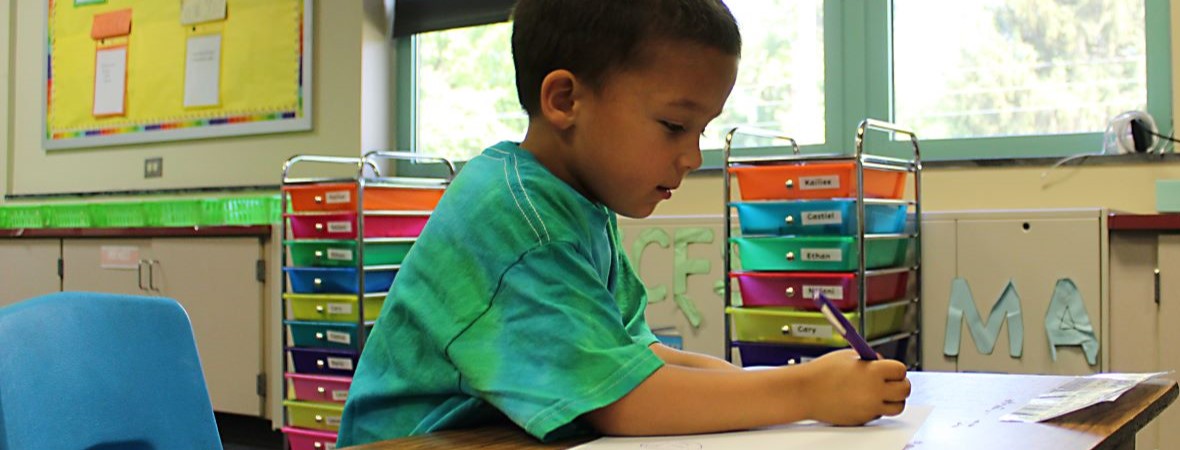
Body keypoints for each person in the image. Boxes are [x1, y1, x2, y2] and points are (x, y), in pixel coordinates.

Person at [336, 0, 911, 445]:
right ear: (565, 99)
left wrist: (760, 383)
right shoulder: (518, 217)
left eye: (703, 130)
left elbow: (634, 354)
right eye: (672, 125)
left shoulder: (575, 202)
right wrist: (806, 390)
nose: (693, 157)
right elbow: (622, 399)